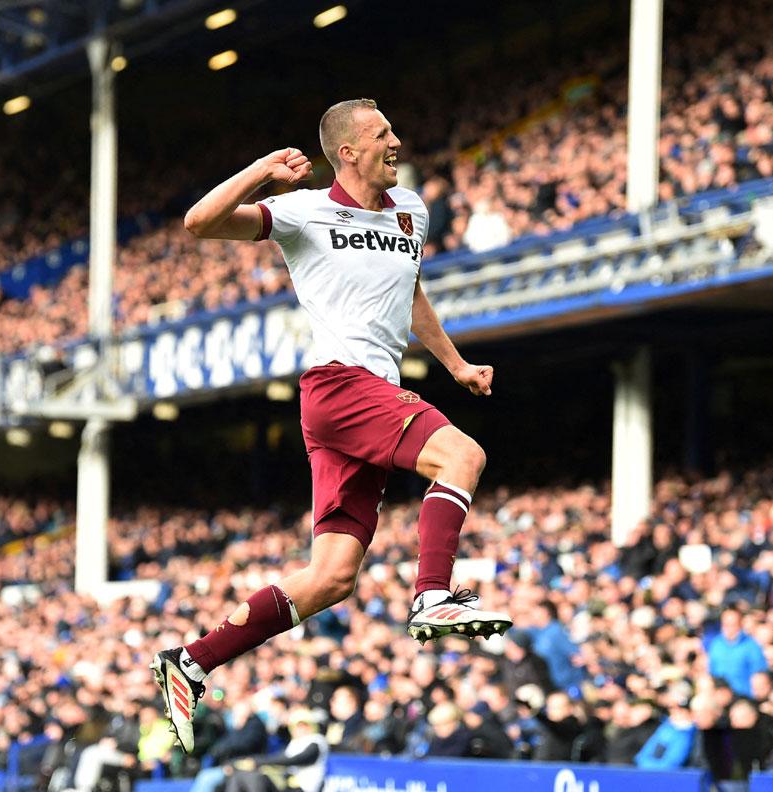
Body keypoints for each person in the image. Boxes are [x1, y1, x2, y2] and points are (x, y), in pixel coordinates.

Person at [151, 98, 511, 753]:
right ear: (348, 151)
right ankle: (432, 595)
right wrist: (262, 169)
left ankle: (192, 662)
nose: (396, 141)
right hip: (341, 386)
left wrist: (455, 363)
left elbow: (410, 292)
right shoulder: (304, 211)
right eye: (383, 134)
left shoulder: (412, 212)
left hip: (368, 396)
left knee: (332, 577)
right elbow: (199, 223)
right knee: (462, 457)